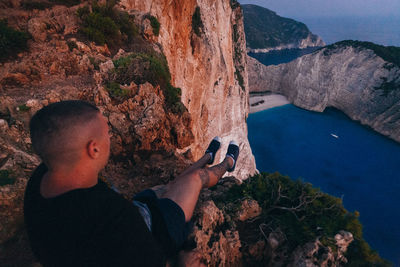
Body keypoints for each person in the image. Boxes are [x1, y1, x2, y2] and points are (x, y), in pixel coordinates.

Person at [24, 100, 240, 266]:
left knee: (169, 187)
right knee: (193, 180)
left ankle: (206, 158)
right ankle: (227, 164)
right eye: (107, 133)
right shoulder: (113, 217)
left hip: (135, 214)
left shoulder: (40, 180)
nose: (111, 137)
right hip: (155, 231)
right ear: (94, 149)